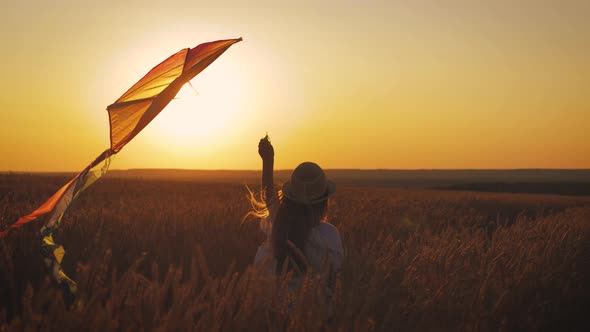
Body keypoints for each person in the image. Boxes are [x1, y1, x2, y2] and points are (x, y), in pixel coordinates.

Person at [248, 134, 344, 300]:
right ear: (323, 203)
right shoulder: (329, 234)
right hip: (316, 318)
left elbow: (269, 197)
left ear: (290, 198)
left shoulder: (281, 227)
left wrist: (268, 160)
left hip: (276, 319)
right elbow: (335, 280)